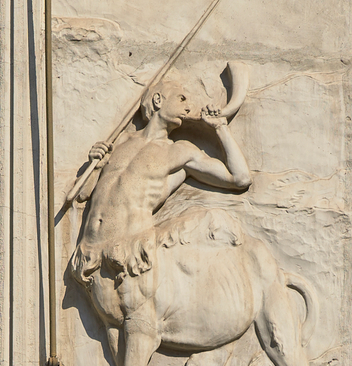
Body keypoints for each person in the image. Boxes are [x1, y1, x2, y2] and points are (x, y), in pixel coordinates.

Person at [71, 76, 251, 288]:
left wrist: (220, 127)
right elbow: (81, 195)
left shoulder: (180, 151)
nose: (188, 107)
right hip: (88, 253)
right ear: (158, 100)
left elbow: (240, 178)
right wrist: (96, 166)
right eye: (182, 99)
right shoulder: (121, 141)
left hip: (128, 256)